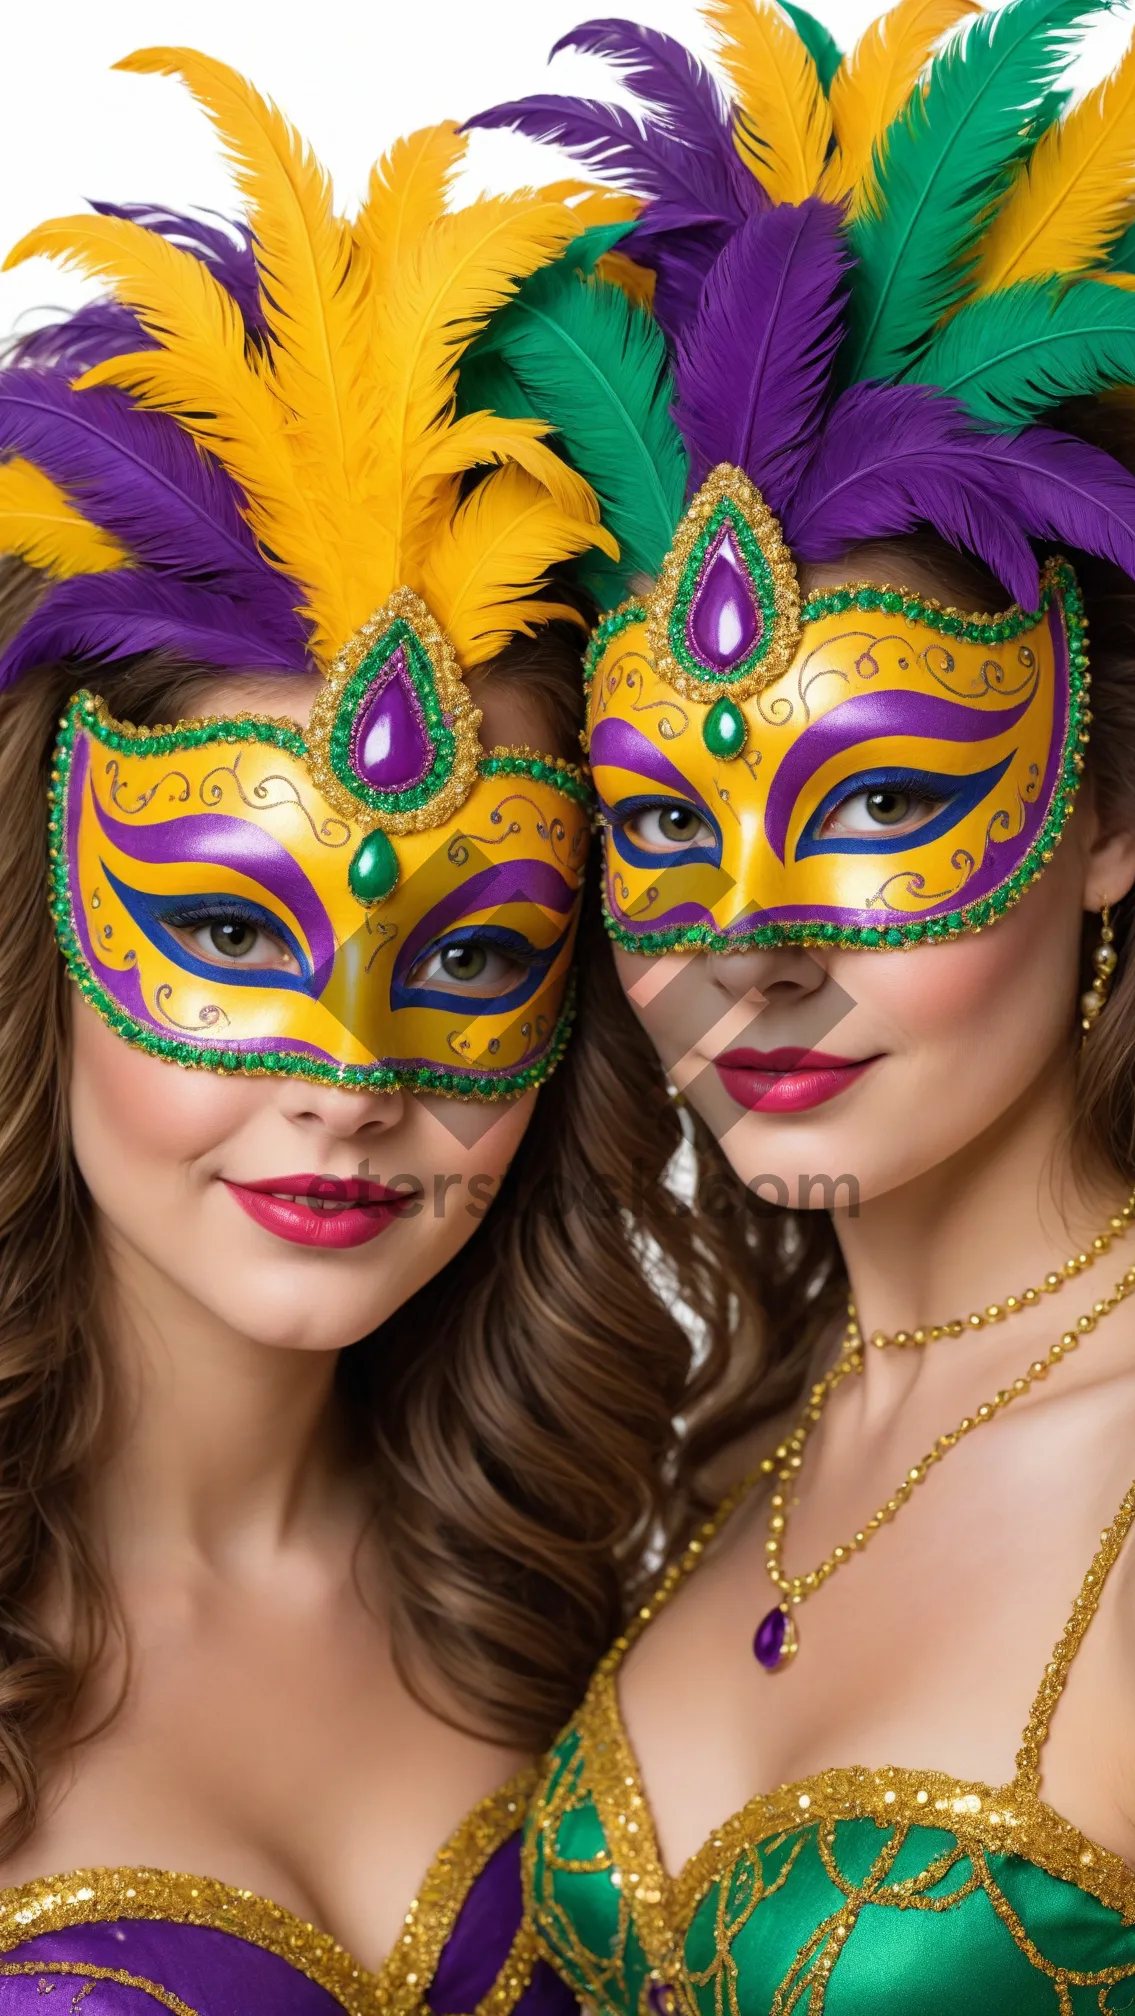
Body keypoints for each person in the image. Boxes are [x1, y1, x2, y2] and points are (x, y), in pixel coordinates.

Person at [0, 47, 704, 2015]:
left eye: (475, 957)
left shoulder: (621, 1579)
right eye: (229, 927)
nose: (353, 1084)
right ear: (39, 929)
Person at [473, 0, 1135, 2007]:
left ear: (1108, 814)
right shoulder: (707, 1446)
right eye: (668, 827)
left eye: (874, 800)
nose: (750, 950)